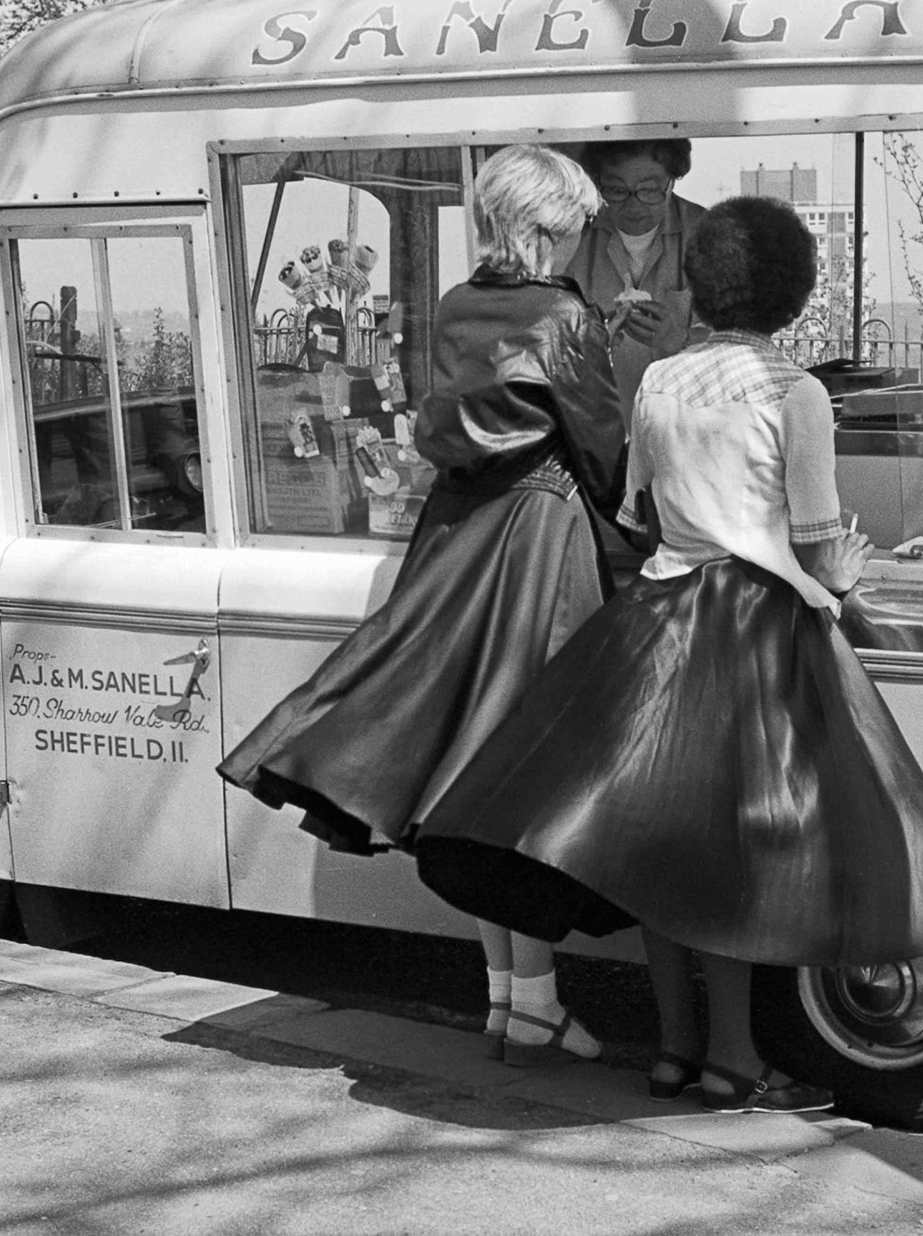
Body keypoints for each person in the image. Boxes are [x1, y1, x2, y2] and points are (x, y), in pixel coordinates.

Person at [416, 196, 923, 1113]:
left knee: (662, 854)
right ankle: (735, 1059)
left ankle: (675, 1049)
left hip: (658, 620)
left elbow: (640, 510)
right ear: (795, 295)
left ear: (702, 285)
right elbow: (812, 536)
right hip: (760, 626)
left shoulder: (657, 381)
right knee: (741, 861)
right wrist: (845, 574)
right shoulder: (796, 392)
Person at [219, 144, 627, 1067]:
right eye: (568, 229)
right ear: (540, 226)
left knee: (466, 772)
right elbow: (604, 453)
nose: (575, 245)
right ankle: (536, 1003)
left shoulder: (454, 304)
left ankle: (510, 1002)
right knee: (526, 778)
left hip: (456, 535)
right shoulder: (567, 317)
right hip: (542, 539)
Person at [555, 139, 710, 416]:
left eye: (649, 190)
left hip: (686, 421)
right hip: (599, 423)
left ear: (672, 181)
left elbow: (738, 342)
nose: (633, 204)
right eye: (616, 190)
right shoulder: (575, 234)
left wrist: (683, 339)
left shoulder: (705, 233)